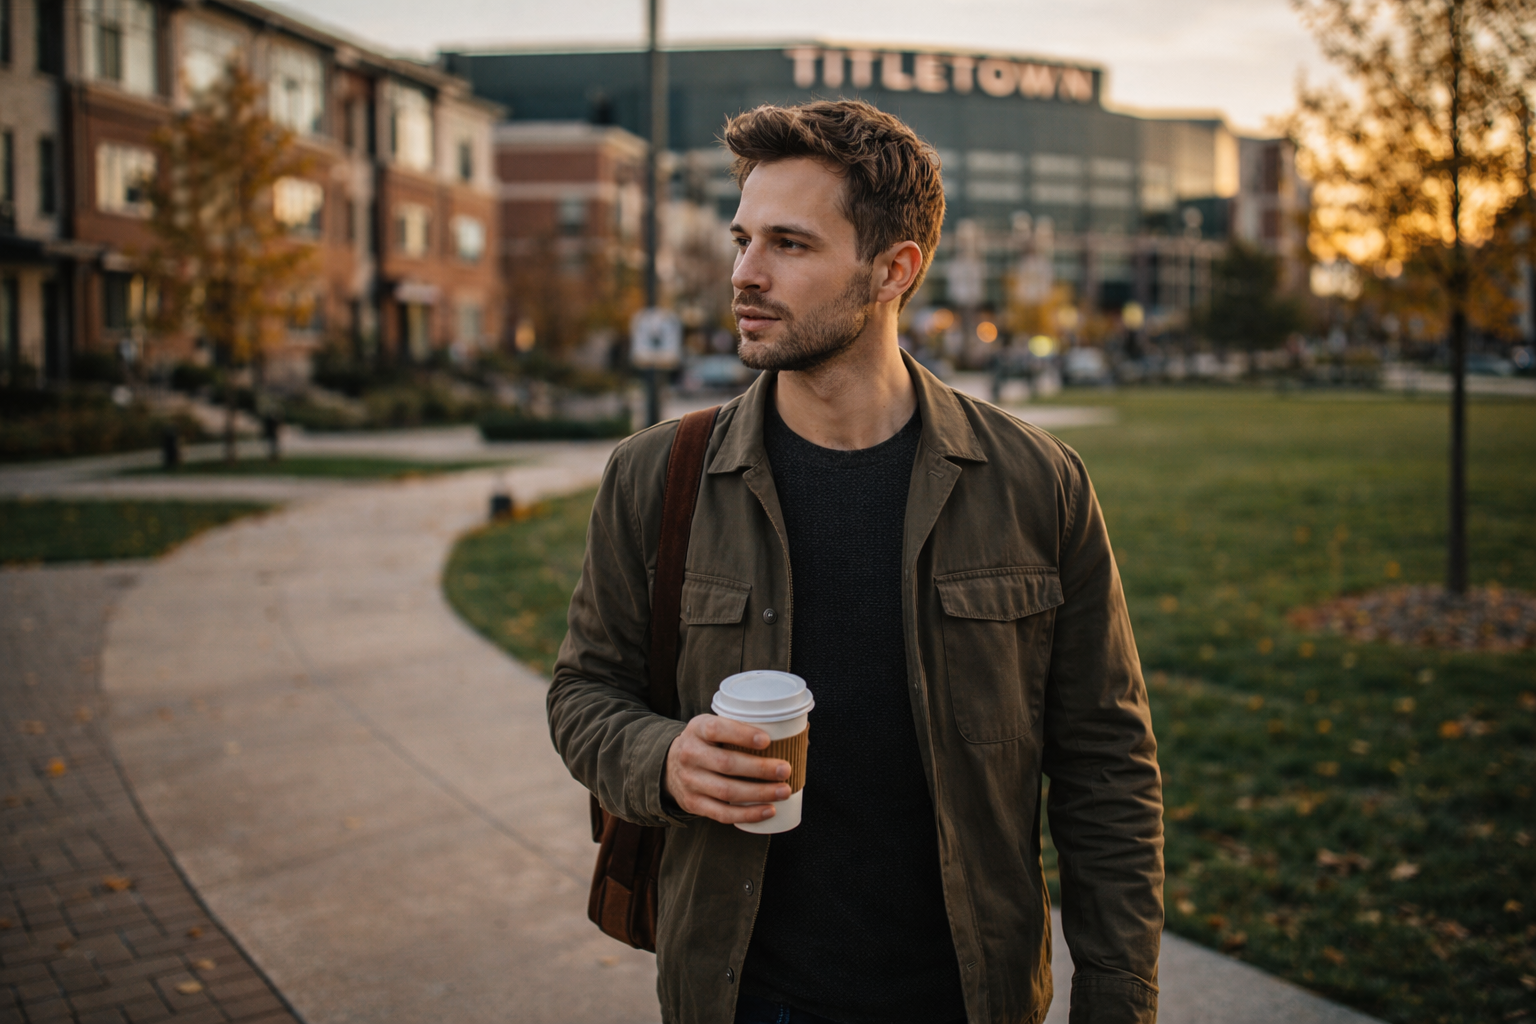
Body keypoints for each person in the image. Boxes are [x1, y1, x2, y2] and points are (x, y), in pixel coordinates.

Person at [549, 99, 1162, 1024]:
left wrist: (1119, 1004)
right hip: (741, 994)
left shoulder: (1037, 485)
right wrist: (664, 756)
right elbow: (581, 695)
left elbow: (1107, 768)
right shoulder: (657, 476)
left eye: (789, 245)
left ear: (893, 270)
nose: (744, 275)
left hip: (966, 996)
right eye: (741, 237)